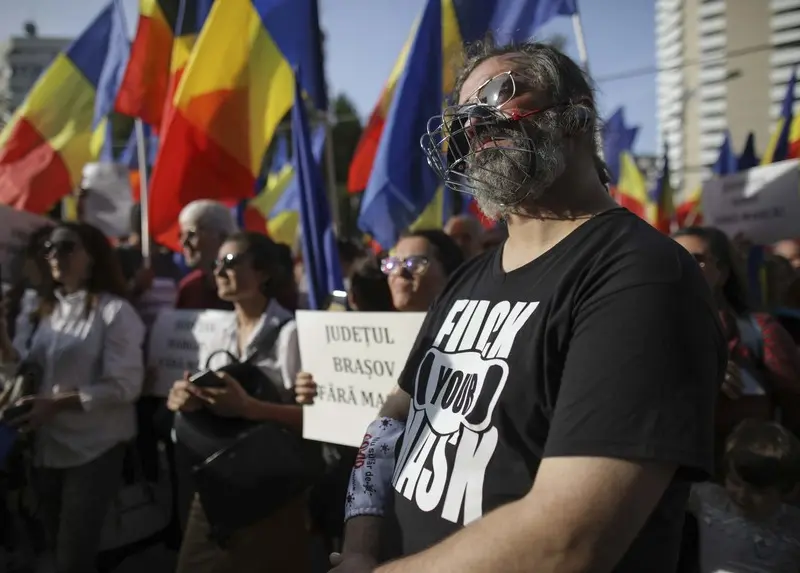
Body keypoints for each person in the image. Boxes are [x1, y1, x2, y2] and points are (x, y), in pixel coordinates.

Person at [331, 40, 724, 573]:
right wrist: (359, 551)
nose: (475, 123)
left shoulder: (642, 274)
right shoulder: (467, 279)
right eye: (462, 116)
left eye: (499, 94)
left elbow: (569, 541)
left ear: (577, 116)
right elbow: (388, 426)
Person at [0, 222, 145, 573]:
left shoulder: (114, 312)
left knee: (72, 558)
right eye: (49, 248)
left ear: (92, 257)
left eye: (66, 247)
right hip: (47, 450)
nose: (54, 255)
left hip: (94, 449)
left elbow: (125, 387)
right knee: (53, 547)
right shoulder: (43, 311)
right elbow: (21, 372)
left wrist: (58, 404)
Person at [168, 231, 311, 573]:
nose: (219, 271)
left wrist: (250, 408)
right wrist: (187, 399)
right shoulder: (218, 330)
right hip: (219, 479)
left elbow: (313, 420)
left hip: (272, 486)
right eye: (216, 263)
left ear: (263, 273)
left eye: (230, 262)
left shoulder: (291, 332)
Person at [688, 420, 800, 572]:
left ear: (787, 490)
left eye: (758, 491)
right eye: (735, 482)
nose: (742, 496)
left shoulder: (793, 530)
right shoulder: (709, 501)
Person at [175, 200, 238, 310]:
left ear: (222, 237)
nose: (184, 242)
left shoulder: (245, 285)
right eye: (181, 235)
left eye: (192, 234)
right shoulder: (190, 288)